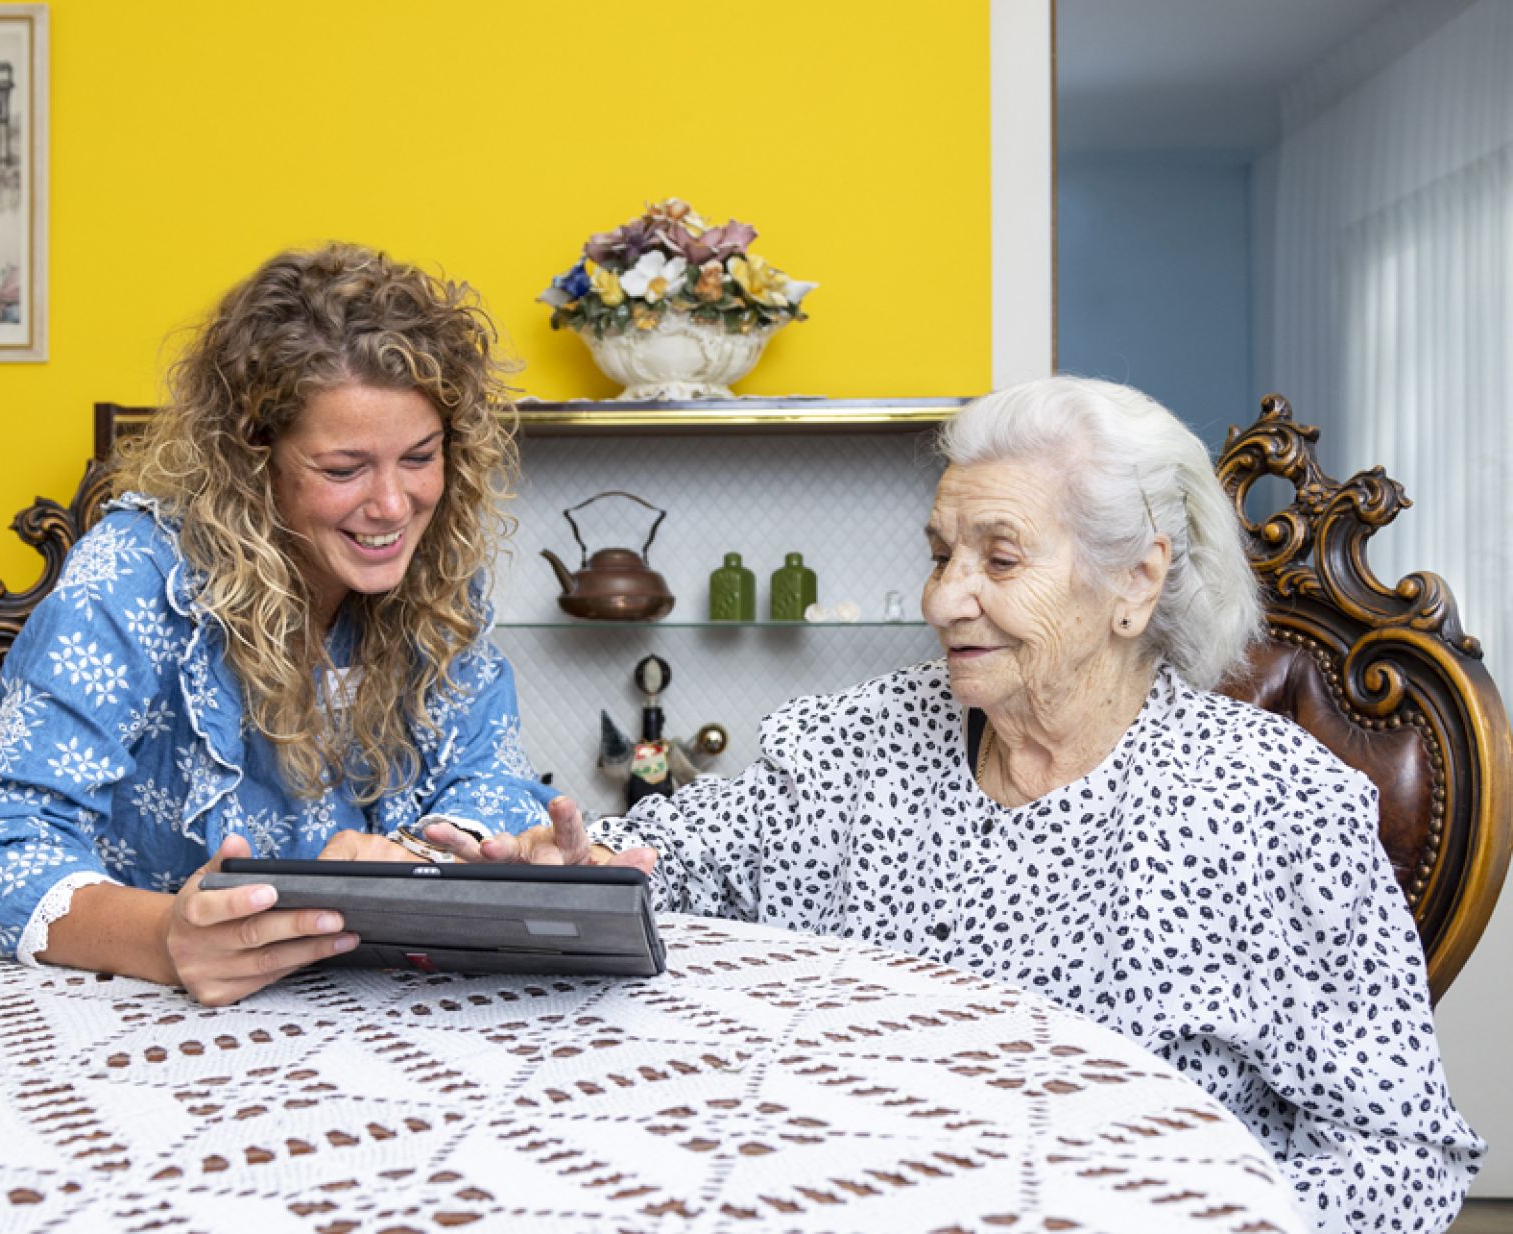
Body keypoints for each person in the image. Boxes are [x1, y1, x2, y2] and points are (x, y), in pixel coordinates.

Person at [424, 376, 1482, 1234]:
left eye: (1000, 558)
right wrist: (571, 868)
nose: (943, 597)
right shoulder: (849, 745)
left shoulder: (1280, 813)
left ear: (1137, 583)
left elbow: (1402, 1158)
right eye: (940, 554)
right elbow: (672, 859)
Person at [0, 243, 570, 1006]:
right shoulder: (130, 578)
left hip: (371, 1028)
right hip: (143, 1035)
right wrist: (167, 937)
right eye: (343, 468)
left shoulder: (438, 582)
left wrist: (445, 855)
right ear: (252, 460)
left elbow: (492, 780)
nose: (393, 507)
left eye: (420, 457)